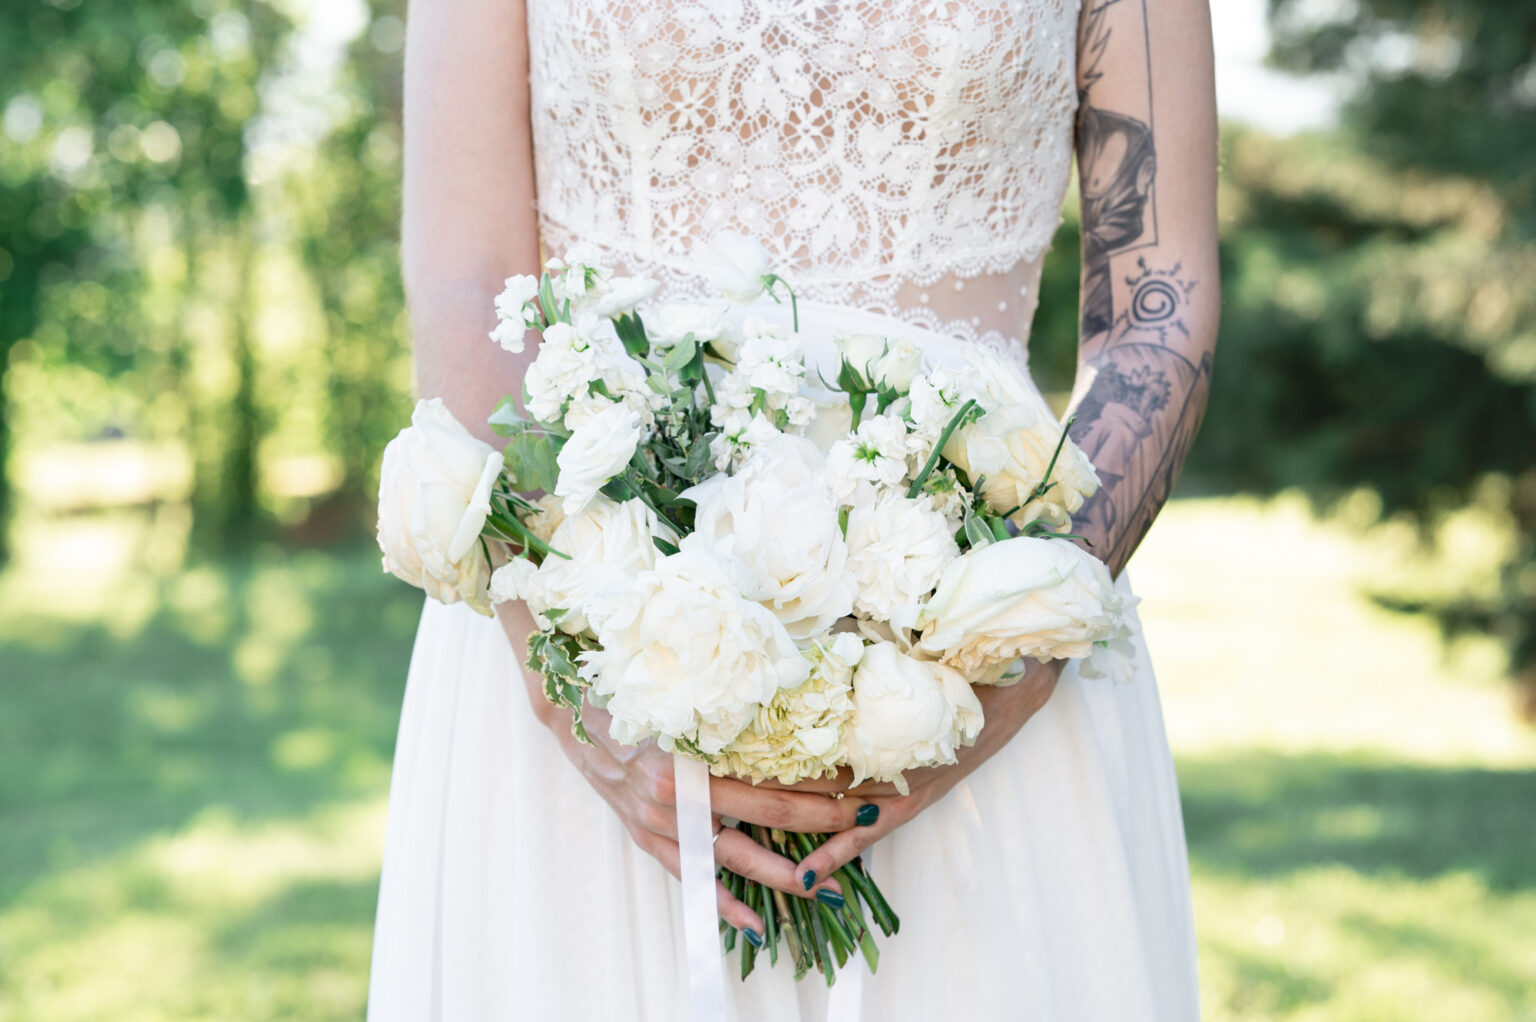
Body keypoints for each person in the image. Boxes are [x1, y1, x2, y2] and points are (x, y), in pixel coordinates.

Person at [368, 1, 1218, 1018]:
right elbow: (469, 283)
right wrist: (573, 683)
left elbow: (1155, 305)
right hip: (579, 649)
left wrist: (1015, 650)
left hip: (981, 656)